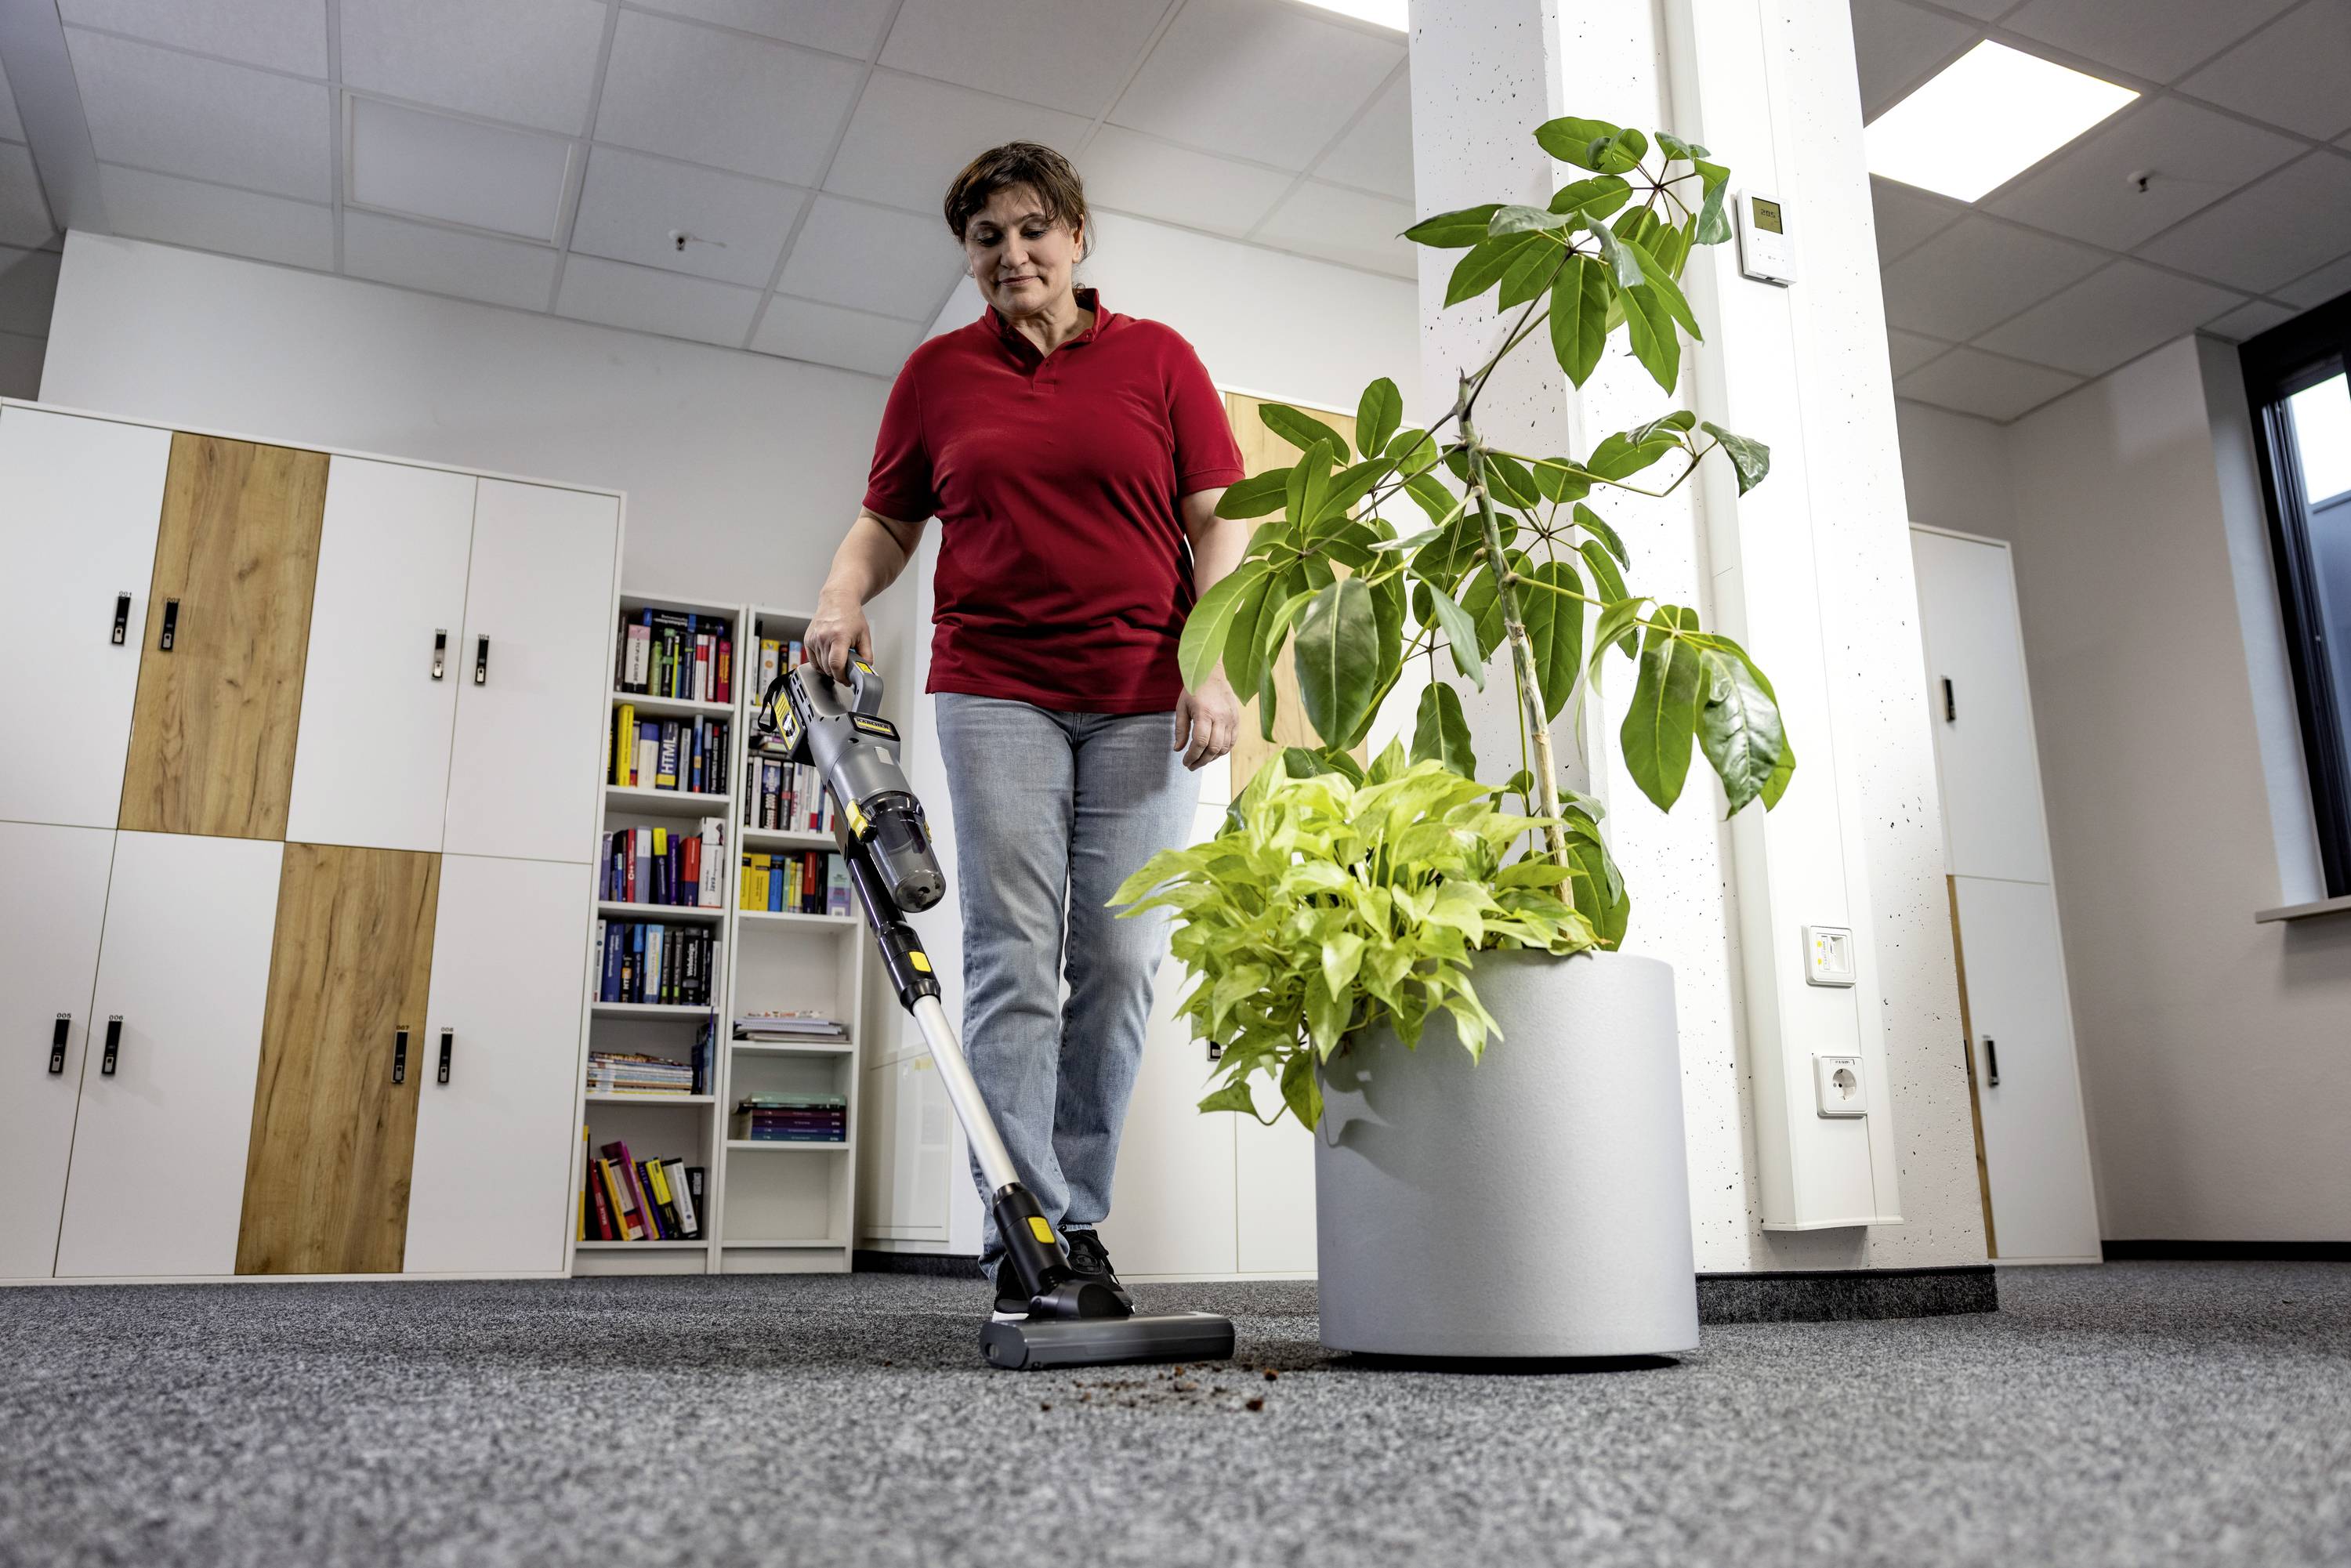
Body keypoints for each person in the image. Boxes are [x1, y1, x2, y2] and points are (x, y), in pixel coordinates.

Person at [802, 142, 1246, 1319]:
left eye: (1033, 230)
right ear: (969, 256)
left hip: (1145, 692)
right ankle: (1027, 1225)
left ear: (1078, 235)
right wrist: (846, 593)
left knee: (1119, 957)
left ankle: (1077, 1214)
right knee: (1011, 957)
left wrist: (1214, 663)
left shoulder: (1160, 361)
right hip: (995, 685)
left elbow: (1223, 531)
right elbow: (885, 523)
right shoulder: (937, 375)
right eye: (987, 238)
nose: (1014, 255)